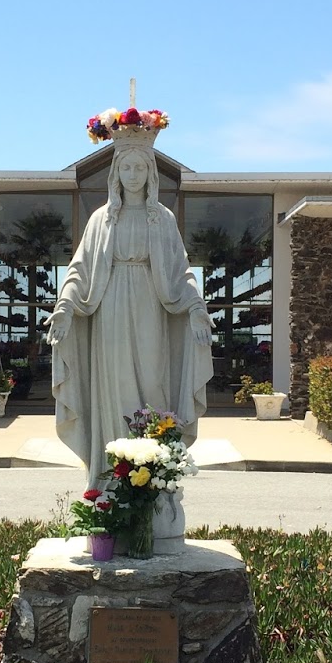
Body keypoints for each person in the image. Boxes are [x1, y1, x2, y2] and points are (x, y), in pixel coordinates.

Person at [46, 137, 213, 483]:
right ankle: (112, 472)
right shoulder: (101, 220)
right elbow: (80, 270)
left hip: (151, 305)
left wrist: (196, 307)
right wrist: (65, 307)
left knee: (154, 383)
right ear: (115, 173)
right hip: (109, 309)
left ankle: (153, 472)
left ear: (151, 173)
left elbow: (181, 270)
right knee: (115, 386)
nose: (133, 174)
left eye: (140, 167)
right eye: (126, 167)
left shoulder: (163, 219)